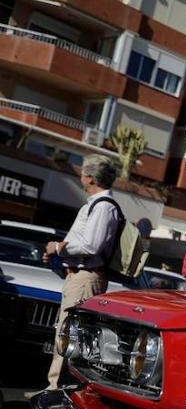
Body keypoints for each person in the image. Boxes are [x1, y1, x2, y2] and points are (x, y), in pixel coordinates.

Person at [43, 155, 123, 388]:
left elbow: (91, 245)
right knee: (67, 333)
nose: (80, 177)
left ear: (89, 177)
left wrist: (58, 247)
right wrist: (59, 254)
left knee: (72, 335)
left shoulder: (103, 207)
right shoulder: (97, 204)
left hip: (86, 278)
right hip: (80, 276)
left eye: (83, 173)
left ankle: (58, 390)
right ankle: (56, 387)